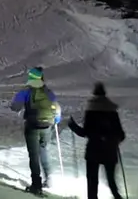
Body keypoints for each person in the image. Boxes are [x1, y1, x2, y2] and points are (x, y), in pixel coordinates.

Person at [68, 82, 125, 199]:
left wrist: (72, 125)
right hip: (110, 150)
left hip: (93, 151)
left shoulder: (91, 109)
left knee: (92, 182)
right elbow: (121, 134)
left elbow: (85, 132)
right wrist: (113, 139)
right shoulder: (112, 110)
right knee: (111, 182)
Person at [10, 66, 61, 194]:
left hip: (32, 126)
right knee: (43, 150)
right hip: (47, 126)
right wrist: (55, 119)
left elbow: (15, 107)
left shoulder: (26, 92)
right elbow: (57, 108)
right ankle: (48, 179)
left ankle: (36, 185)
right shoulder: (48, 92)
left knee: (33, 155)